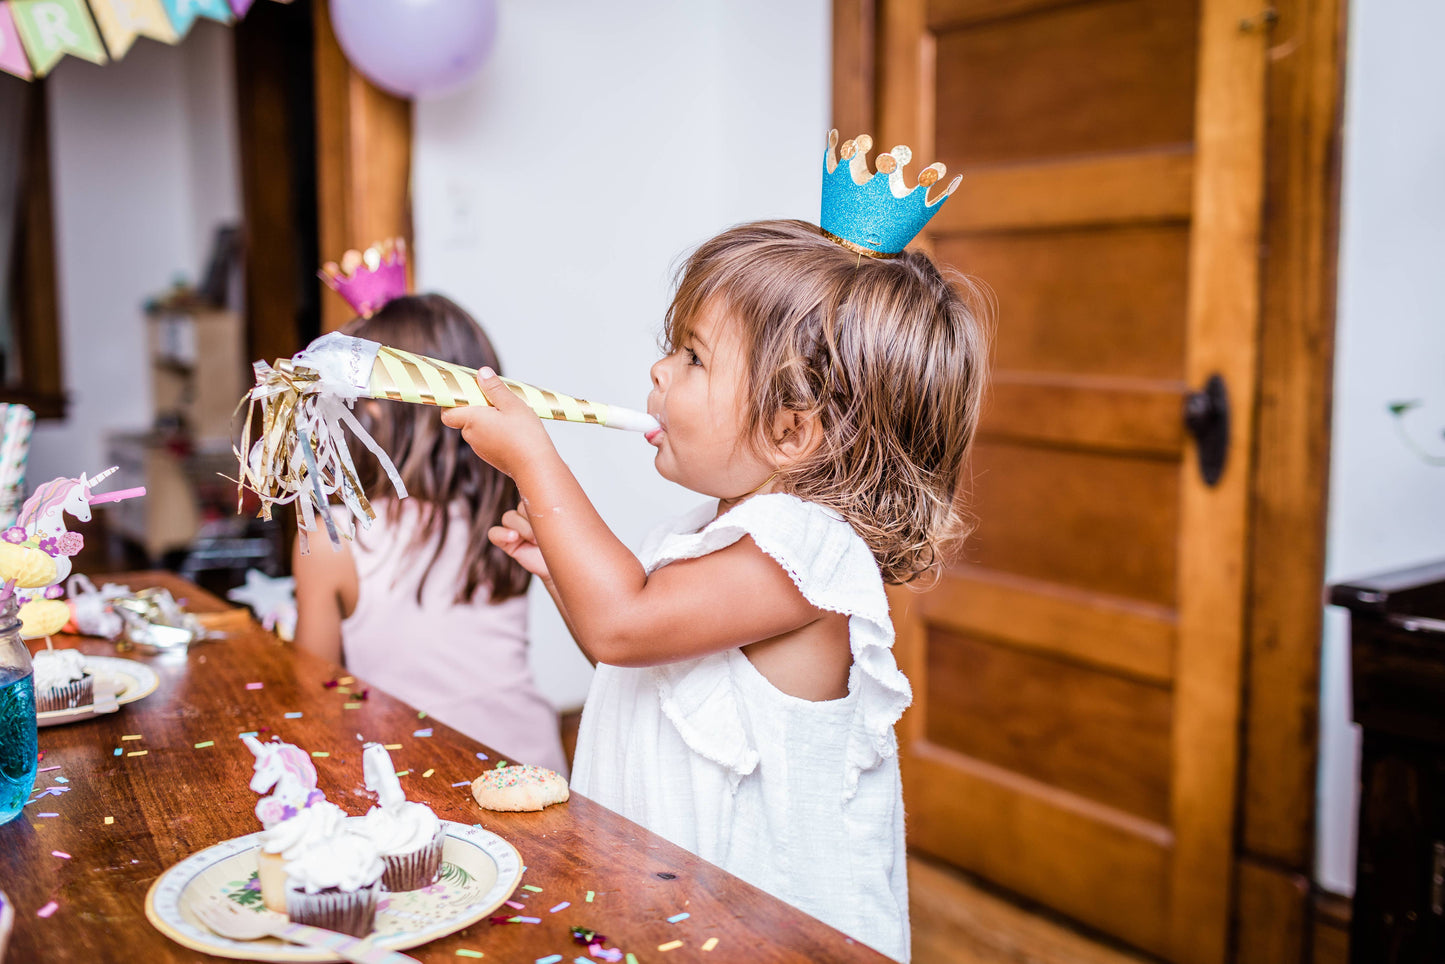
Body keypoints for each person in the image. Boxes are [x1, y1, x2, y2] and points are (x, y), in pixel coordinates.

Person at [442, 210, 989, 962]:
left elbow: (623, 627)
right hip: (675, 908)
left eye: (693, 357)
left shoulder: (806, 552)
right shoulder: (710, 536)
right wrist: (561, 571)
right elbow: (635, 659)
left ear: (792, 432)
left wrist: (536, 464)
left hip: (768, 935)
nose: (659, 372)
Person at [293, 293, 567, 775]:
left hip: (418, 789)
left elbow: (313, 695)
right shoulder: (509, 514)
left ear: (373, 411)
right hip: (534, 767)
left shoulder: (331, 537)